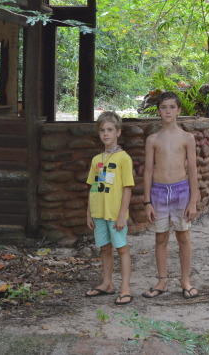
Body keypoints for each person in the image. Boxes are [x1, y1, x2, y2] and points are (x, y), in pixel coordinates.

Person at [142, 91, 200, 299]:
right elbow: (148, 170)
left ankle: (185, 280)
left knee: (183, 235)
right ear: (158, 111)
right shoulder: (152, 139)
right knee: (161, 237)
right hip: (158, 192)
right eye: (164, 107)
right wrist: (147, 201)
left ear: (179, 110)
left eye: (172, 107)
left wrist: (193, 200)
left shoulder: (187, 138)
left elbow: (192, 170)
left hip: (181, 191)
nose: (168, 111)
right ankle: (162, 280)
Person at [85, 110, 135, 306]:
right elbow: (93, 187)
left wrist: (122, 215)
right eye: (102, 130)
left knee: (121, 249)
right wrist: (89, 212)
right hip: (99, 212)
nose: (106, 134)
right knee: (105, 249)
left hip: (115, 214)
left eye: (110, 130)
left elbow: (127, 188)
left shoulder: (124, 158)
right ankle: (107, 283)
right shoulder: (96, 159)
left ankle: (125, 288)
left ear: (118, 132)